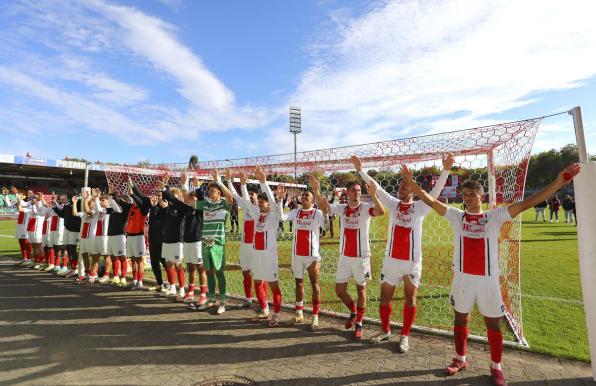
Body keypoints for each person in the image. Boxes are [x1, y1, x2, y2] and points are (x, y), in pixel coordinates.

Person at [400, 162, 580, 386]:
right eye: (464, 194)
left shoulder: (494, 217)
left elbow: (527, 203)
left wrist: (559, 182)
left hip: (488, 281)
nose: (467, 198)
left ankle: (496, 367)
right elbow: (430, 201)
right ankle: (460, 359)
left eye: (472, 194)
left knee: (493, 324)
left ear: (481, 197)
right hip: (463, 279)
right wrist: (414, 186)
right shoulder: (457, 216)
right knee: (460, 318)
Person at [353, 153, 454, 352]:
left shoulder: (420, 207)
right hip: (391, 262)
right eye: (400, 186)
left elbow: (433, 194)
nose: (401, 189)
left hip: (411, 263)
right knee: (384, 299)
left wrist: (446, 170)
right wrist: (360, 171)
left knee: (410, 298)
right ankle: (385, 330)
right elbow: (378, 189)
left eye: (405, 186)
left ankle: (405, 336)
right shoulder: (393, 204)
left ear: (413, 190)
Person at [312, 173, 386, 340]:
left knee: (361, 289)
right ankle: (353, 311)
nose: (357, 193)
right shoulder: (342, 208)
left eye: (359, 190)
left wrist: (373, 194)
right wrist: (316, 190)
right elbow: (323, 207)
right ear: (347, 192)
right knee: (339, 290)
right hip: (345, 256)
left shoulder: (366, 208)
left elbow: (381, 211)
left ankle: (359, 322)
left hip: (361, 257)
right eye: (354, 190)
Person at [279, 176, 326, 331]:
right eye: (303, 196)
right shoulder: (295, 212)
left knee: (315, 285)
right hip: (297, 255)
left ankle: (315, 317)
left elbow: (325, 224)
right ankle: (299, 314)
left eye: (308, 196)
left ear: (312, 200)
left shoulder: (317, 213)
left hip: (312, 256)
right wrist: (280, 200)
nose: (304, 197)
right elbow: (282, 217)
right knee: (298, 284)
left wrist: (320, 197)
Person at [246, 165, 285, 327]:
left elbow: (275, 204)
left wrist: (263, 182)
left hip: (269, 257)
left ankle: (276, 314)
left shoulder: (274, 216)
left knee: (274, 286)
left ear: (270, 204)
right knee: (257, 282)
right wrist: (242, 184)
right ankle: (264, 309)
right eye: (260, 202)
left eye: (264, 202)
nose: (261, 204)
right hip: (257, 255)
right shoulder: (257, 215)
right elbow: (247, 202)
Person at [195, 170, 234, 314]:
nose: (210, 192)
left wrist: (219, 181)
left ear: (219, 193)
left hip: (218, 244)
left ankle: (222, 301)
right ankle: (211, 300)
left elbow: (230, 197)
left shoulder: (224, 204)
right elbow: (188, 200)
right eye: (209, 190)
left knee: (219, 272)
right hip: (205, 243)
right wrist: (188, 186)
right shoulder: (205, 204)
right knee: (209, 271)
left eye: (213, 190)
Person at [225, 170, 260, 308]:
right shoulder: (246, 208)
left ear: (258, 197)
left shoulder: (259, 209)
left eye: (253, 194)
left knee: (258, 275)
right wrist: (228, 181)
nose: (250, 196)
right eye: (249, 194)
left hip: (256, 246)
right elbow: (234, 195)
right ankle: (248, 299)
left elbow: (245, 199)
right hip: (245, 245)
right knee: (246, 273)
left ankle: (262, 303)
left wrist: (243, 185)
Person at [104, 190, 132, 286]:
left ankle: (123, 277)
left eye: (122, 199)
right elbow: (103, 206)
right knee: (112, 256)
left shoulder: (124, 209)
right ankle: (116, 276)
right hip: (110, 235)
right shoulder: (112, 209)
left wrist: (111, 196)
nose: (120, 200)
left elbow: (113, 202)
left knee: (122, 257)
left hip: (120, 235)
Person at [127, 179, 151, 290]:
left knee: (139, 259)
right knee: (133, 259)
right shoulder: (132, 207)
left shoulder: (144, 208)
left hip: (138, 236)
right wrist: (130, 185)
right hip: (130, 236)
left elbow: (139, 198)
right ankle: (135, 280)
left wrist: (132, 191)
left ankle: (140, 282)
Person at [3, 187, 33, 266]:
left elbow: (23, 205)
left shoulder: (30, 202)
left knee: (26, 241)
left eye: (29, 193)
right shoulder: (20, 200)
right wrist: (6, 195)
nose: (28, 195)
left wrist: (16, 194)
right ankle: (25, 258)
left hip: (26, 224)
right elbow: (9, 205)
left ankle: (29, 259)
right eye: (28, 193)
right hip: (20, 224)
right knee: (21, 241)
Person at [146, 192, 168, 292]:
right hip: (153, 238)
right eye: (157, 195)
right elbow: (152, 220)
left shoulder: (166, 207)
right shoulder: (153, 206)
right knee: (154, 262)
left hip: (162, 239)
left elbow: (161, 219)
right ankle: (160, 283)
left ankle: (170, 283)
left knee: (165, 262)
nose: (158, 197)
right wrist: (154, 206)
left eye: (160, 195)